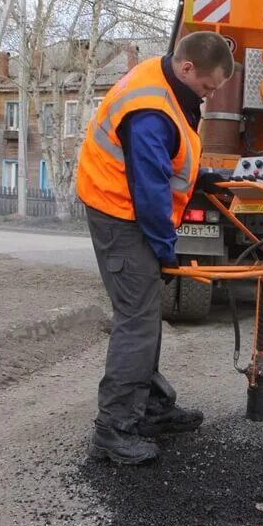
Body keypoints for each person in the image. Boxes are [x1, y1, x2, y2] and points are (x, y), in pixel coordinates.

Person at [76, 31, 234, 465]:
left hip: (126, 206)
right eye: (207, 87)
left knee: (145, 316)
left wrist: (202, 179)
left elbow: (164, 161)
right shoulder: (151, 110)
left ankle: (150, 407)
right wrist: (165, 248)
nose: (208, 95)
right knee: (137, 322)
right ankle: (114, 430)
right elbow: (149, 189)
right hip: (118, 211)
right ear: (187, 69)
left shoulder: (162, 84)